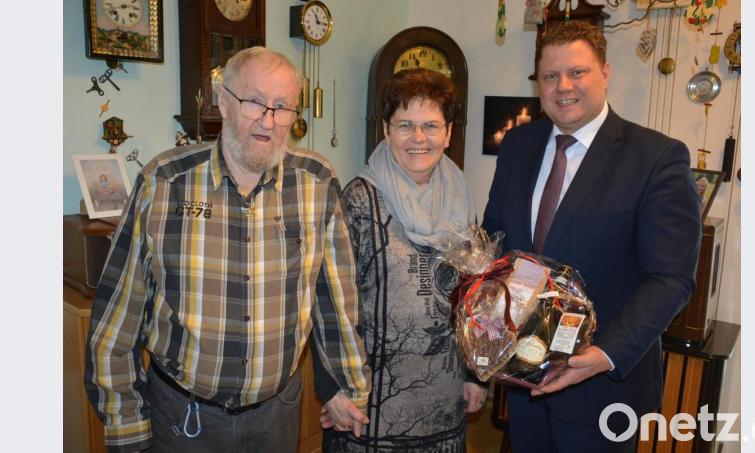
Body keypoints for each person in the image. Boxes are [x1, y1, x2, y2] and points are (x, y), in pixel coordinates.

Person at [84, 46, 370, 453]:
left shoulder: (317, 183)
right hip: (181, 417)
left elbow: (336, 301)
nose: (268, 120)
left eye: (282, 106)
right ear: (222, 100)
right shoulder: (164, 182)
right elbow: (119, 316)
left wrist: (348, 386)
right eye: (254, 101)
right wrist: (124, 422)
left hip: (277, 415)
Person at [482, 21, 702, 452]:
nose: (563, 87)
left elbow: (671, 279)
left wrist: (602, 356)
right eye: (550, 76)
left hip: (603, 390)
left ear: (605, 72)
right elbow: (496, 242)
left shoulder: (657, 157)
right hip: (525, 382)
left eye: (577, 72)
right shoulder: (517, 145)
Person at [314, 68, 488, 452]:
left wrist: (477, 375)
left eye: (431, 125)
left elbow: (475, 298)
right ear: (385, 129)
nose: (418, 138)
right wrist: (332, 389)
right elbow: (327, 300)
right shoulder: (358, 199)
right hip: (370, 407)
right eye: (405, 125)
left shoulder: (461, 197)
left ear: (448, 132)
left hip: (445, 403)